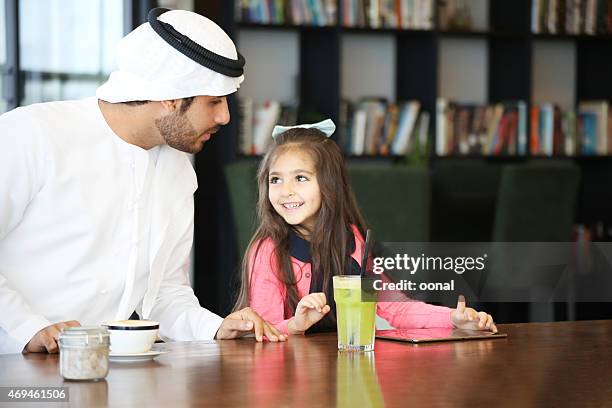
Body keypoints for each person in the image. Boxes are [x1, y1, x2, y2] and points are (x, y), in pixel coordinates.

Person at [0, 8, 286, 355]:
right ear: (169, 97)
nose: (224, 117)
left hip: (98, 371)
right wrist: (28, 327)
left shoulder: (179, 169)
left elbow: (165, 292)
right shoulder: (31, 135)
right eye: (213, 102)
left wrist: (215, 327)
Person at [233, 120, 497, 335]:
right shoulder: (268, 251)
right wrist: (296, 324)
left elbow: (392, 307)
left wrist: (453, 317)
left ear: (329, 184)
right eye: (275, 180)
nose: (285, 191)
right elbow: (262, 330)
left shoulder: (352, 240)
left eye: (300, 178)